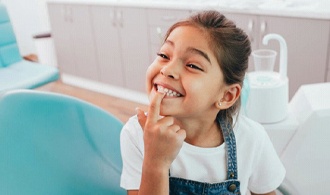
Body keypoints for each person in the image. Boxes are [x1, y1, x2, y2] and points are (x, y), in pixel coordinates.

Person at [120, 10, 285, 195]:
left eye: (192, 65)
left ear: (227, 96)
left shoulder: (252, 139)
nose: (167, 69)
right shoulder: (136, 134)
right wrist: (155, 162)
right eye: (164, 55)